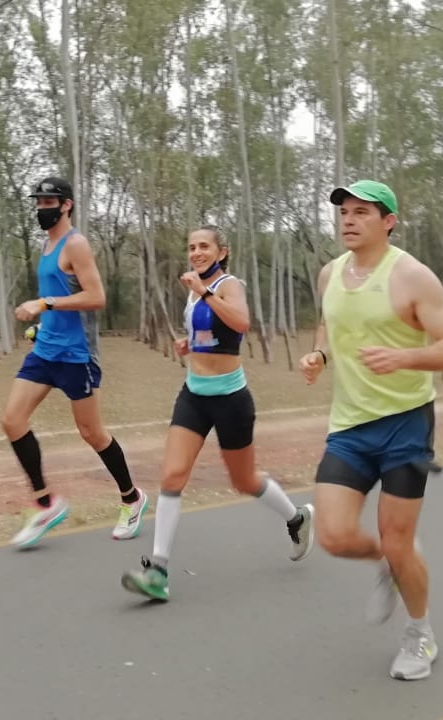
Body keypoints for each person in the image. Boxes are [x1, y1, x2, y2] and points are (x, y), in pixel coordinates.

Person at [299, 180, 443, 681]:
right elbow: (331, 323)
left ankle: (420, 636)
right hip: (349, 426)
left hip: (406, 423)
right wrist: (320, 354)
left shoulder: (413, 277)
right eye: (344, 212)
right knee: (333, 536)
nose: (348, 220)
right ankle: (395, 562)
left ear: (388, 221)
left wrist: (406, 356)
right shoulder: (330, 273)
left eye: (362, 212)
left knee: (396, 538)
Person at [121, 225, 315, 602]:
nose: (196, 252)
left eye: (204, 246)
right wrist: (187, 344)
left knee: (244, 481)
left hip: (230, 398)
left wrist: (203, 290)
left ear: (221, 252)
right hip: (194, 394)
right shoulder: (197, 291)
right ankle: (158, 570)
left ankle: (296, 518)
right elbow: (209, 335)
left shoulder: (227, 285)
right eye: (191, 246)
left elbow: (241, 324)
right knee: (173, 476)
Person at [2, 176, 148, 549]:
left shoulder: (76, 244)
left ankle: (132, 498)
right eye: (38, 202)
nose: (41, 208)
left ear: (66, 204)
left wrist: (45, 304)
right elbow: (56, 298)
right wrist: (42, 323)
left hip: (76, 356)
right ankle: (46, 503)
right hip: (45, 350)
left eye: (49, 201)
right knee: (12, 421)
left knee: (92, 433)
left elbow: (96, 296)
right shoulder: (48, 245)